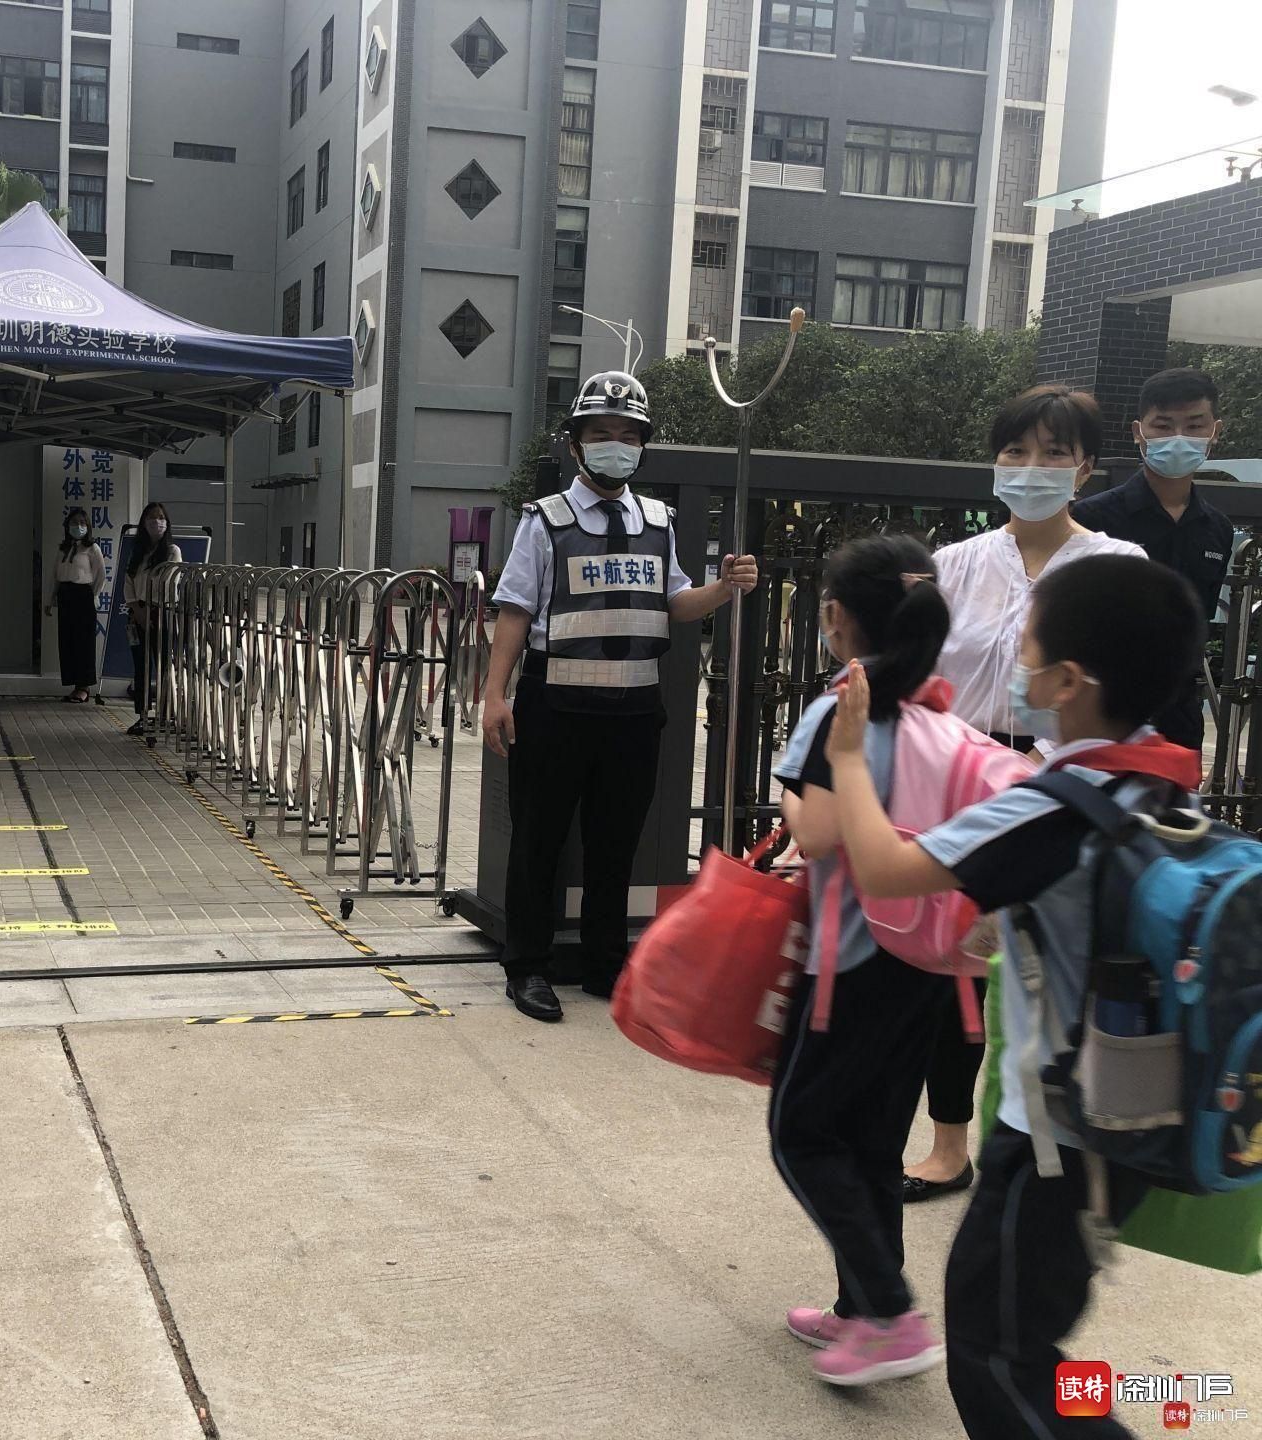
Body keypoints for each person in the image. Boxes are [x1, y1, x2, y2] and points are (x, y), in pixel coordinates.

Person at [825, 554, 1205, 1439]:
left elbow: (885, 869)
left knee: (997, 1356)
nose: (1014, 670)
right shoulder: (1158, 780)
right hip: (1125, 1117)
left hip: (1055, 1142)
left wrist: (848, 760)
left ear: (1068, 682)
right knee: (1028, 1341)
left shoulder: (1053, 807)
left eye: (1026, 653)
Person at [907, 385, 1144, 1203]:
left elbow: (1126, 687)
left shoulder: (1117, 567)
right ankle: (949, 1147)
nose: (1032, 468)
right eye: (1016, 451)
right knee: (956, 973)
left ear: (1085, 468)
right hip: (956, 779)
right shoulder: (954, 564)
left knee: (1054, 971)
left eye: (1054, 453)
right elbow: (917, 677)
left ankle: (1057, 1151)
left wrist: (1043, 766)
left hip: (1067, 786)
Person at [482, 371, 758, 1021]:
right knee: (538, 844)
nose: (616, 446)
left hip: (633, 710)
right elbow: (515, 610)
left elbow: (676, 602)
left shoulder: (658, 521)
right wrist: (494, 694)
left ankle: (607, 966)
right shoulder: (545, 521)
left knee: (615, 846)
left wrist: (724, 589)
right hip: (554, 705)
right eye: (602, 433)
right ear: (576, 444)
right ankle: (527, 968)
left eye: (628, 436)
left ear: (642, 446)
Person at [768, 534, 953, 1387]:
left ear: (836, 615)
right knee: (874, 1141)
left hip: (849, 959)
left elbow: (815, 833)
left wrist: (788, 793)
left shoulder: (842, 708)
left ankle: (889, 1312)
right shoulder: (937, 710)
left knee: (802, 1132)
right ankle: (859, 1311)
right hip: (926, 957)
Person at [1071, 367, 1234, 752]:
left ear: (1215, 432)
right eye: (1163, 425)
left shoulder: (1217, 529)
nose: (1179, 437)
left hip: (1180, 719)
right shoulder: (1092, 518)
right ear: (1138, 432)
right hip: (1103, 713)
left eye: (1194, 426)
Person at [125, 501, 181, 736]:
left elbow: (169, 583)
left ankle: (166, 715)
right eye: (151, 518)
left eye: (160, 518)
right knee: (141, 667)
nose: (156, 522)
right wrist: (137, 610)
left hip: (162, 613)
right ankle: (142, 715)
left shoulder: (172, 551)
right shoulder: (138, 552)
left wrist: (152, 609)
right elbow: (128, 583)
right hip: (137, 613)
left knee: (164, 666)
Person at [48, 506, 105, 702]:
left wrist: (93, 595)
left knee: (84, 642)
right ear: (67, 525)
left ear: (88, 526)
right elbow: (55, 575)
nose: (78, 526)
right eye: (74, 522)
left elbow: (100, 575)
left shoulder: (92, 548)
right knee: (68, 641)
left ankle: (84, 686)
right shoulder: (62, 549)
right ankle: (74, 685)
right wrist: (50, 599)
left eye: (82, 523)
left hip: (83, 596)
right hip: (65, 595)